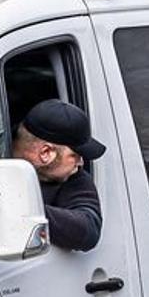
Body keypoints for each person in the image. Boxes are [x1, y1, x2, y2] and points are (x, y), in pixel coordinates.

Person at [12, 98, 107, 253]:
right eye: (75, 155)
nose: (81, 163)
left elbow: (88, 229)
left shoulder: (74, 177)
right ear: (45, 153)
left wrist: (26, 210)